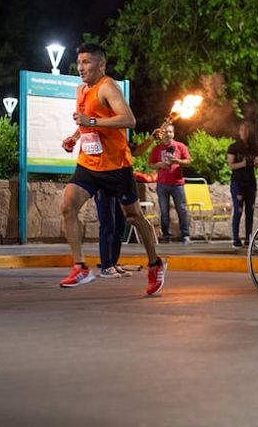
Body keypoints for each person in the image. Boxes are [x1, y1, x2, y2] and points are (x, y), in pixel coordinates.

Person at [59, 43, 166, 295]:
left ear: (101, 65)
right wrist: (75, 136)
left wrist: (92, 121)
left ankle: (155, 263)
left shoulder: (108, 87)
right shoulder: (81, 90)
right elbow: (86, 122)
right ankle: (81, 267)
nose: (81, 67)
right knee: (67, 206)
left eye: (86, 62)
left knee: (133, 217)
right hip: (89, 163)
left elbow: (129, 120)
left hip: (116, 165)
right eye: (79, 62)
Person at [148, 124, 192, 243]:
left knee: (182, 209)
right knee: (164, 210)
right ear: (162, 134)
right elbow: (150, 164)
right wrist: (159, 165)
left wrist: (178, 161)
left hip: (177, 183)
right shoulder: (157, 149)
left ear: (173, 134)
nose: (168, 134)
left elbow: (188, 162)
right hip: (162, 184)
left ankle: (185, 234)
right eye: (166, 132)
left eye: (170, 132)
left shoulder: (180, 146)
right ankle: (166, 235)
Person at [226, 120, 258, 248]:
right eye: (242, 130)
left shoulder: (253, 147)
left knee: (250, 210)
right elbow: (230, 165)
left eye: (246, 130)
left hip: (250, 182)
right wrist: (243, 163)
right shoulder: (234, 147)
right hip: (238, 182)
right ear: (239, 132)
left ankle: (249, 238)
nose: (244, 133)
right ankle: (236, 239)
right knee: (238, 209)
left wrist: (257, 162)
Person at [94, 190, 131, 278]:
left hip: (116, 189)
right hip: (104, 188)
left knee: (120, 225)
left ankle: (113, 263)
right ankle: (106, 267)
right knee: (108, 225)